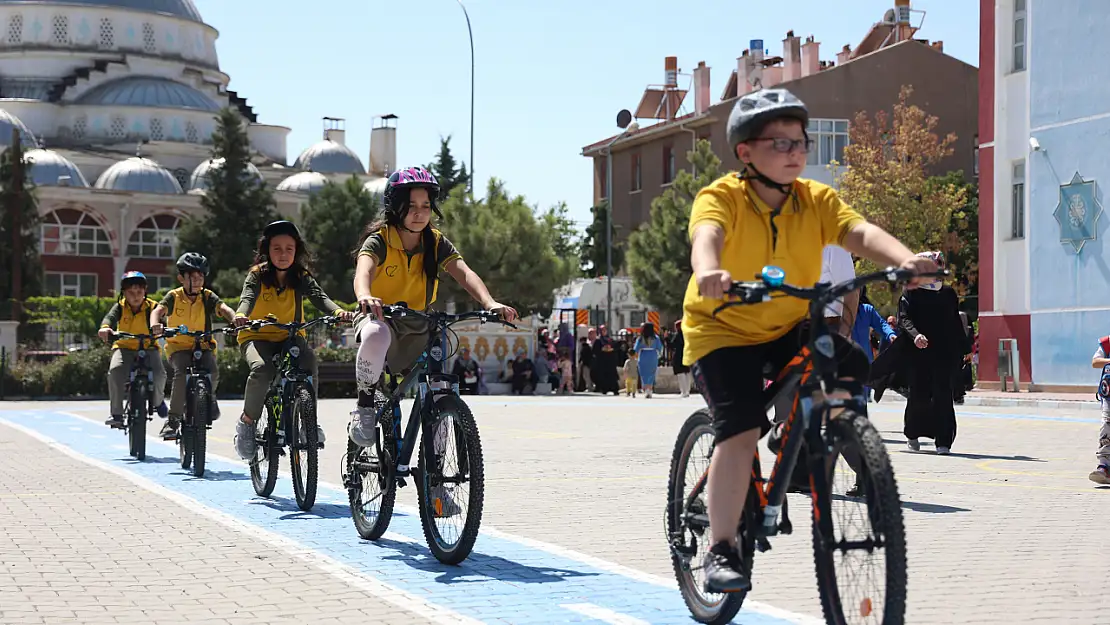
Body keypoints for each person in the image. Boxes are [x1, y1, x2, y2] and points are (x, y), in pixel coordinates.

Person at [682, 87, 937, 593]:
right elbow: (706, 236)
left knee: (848, 361)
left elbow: (858, 232)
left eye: (800, 141)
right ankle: (722, 547)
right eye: (779, 143)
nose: (795, 151)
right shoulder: (723, 197)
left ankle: (800, 431)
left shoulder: (815, 200)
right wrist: (710, 270)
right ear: (745, 152)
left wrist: (904, 261)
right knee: (738, 431)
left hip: (785, 323)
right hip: (722, 328)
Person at [348, 166, 517, 448]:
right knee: (376, 334)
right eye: (411, 206)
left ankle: (437, 483)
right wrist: (365, 295)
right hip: (379, 316)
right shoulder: (379, 240)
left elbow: (464, 272)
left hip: (418, 321)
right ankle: (365, 407)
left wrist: (489, 303)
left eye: (426, 206)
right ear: (395, 207)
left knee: (440, 390)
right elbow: (362, 271)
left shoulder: (435, 242)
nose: (420, 212)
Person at [231, 220, 356, 460]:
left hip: (289, 336)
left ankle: (308, 423)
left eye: (289, 248)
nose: (283, 254)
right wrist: (240, 315)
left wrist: (339, 313)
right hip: (256, 336)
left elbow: (320, 298)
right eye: (277, 248)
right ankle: (247, 424)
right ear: (267, 250)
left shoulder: (301, 276)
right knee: (262, 369)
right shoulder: (257, 275)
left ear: (296, 251)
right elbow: (247, 297)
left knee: (309, 361)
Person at [150, 252, 237, 438]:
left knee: (212, 371)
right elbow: (158, 311)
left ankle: (210, 398)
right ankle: (173, 420)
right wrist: (155, 324)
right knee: (181, 374)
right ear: (181, 278)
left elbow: (224, 308)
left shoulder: (207, 296)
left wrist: (235, 319)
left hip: (203, 345)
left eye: (201, 276)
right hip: (178, 347)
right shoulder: (174, 296)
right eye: (192, 277)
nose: (198, 281)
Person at [899, 251, 969, 455]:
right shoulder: (910, 292)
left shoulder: (947, 294)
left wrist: (965, 348)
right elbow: (904, 319)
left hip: (943, 353)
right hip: (918, 353)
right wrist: (916, 336)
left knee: (943, 395)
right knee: (918, 396)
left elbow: (955, 321)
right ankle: (912, 434)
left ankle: (943, 441)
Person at [98, 271, 167, 428]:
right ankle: (116, 413)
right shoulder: (120, 307)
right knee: (115, 371)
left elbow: (163, 319)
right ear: (124, 293)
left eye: (139, 292)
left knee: (159, 374)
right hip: (124, 347)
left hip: (149, 347)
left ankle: (158, 401)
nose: (136, 296)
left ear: (145, 291)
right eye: (131, 292)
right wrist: (105, 328)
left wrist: (163, 327)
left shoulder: (153, 307)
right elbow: (109, 318)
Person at [1090, 336, 1110, 484]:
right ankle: (1103, 466)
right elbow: (1095, 362)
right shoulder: (1107, 343)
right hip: (1108, 395)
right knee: (1106, 427)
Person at [633, 322, 661, 398]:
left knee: (644, 374)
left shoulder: (640, 338)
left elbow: (635, 349)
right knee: (651, 374)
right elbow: (660, 348)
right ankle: (650, 389)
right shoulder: (656, 338)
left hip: (643, 356)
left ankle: (646, 390)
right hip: (653, 356)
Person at [591, 325, 620, 395]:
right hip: (602, 361)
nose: (603, 332)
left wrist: (611, 348)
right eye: (602, 330)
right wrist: (602, 349)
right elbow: (595, 351)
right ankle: (604, 389)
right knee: (603, 376)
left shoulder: (610, 339)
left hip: (610, 361)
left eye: (604, 330)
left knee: (612, 376)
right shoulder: (598, 340)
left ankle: (614, 389)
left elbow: (616, 347)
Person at [670, 320, 692, 398]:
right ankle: (687, 391)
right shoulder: (688, 334)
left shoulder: (677, 335)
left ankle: (683, 391)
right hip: (687, 354)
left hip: (679, 355)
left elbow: (672, 345)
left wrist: (666, 338)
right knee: (687, 372)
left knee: (680, 373)